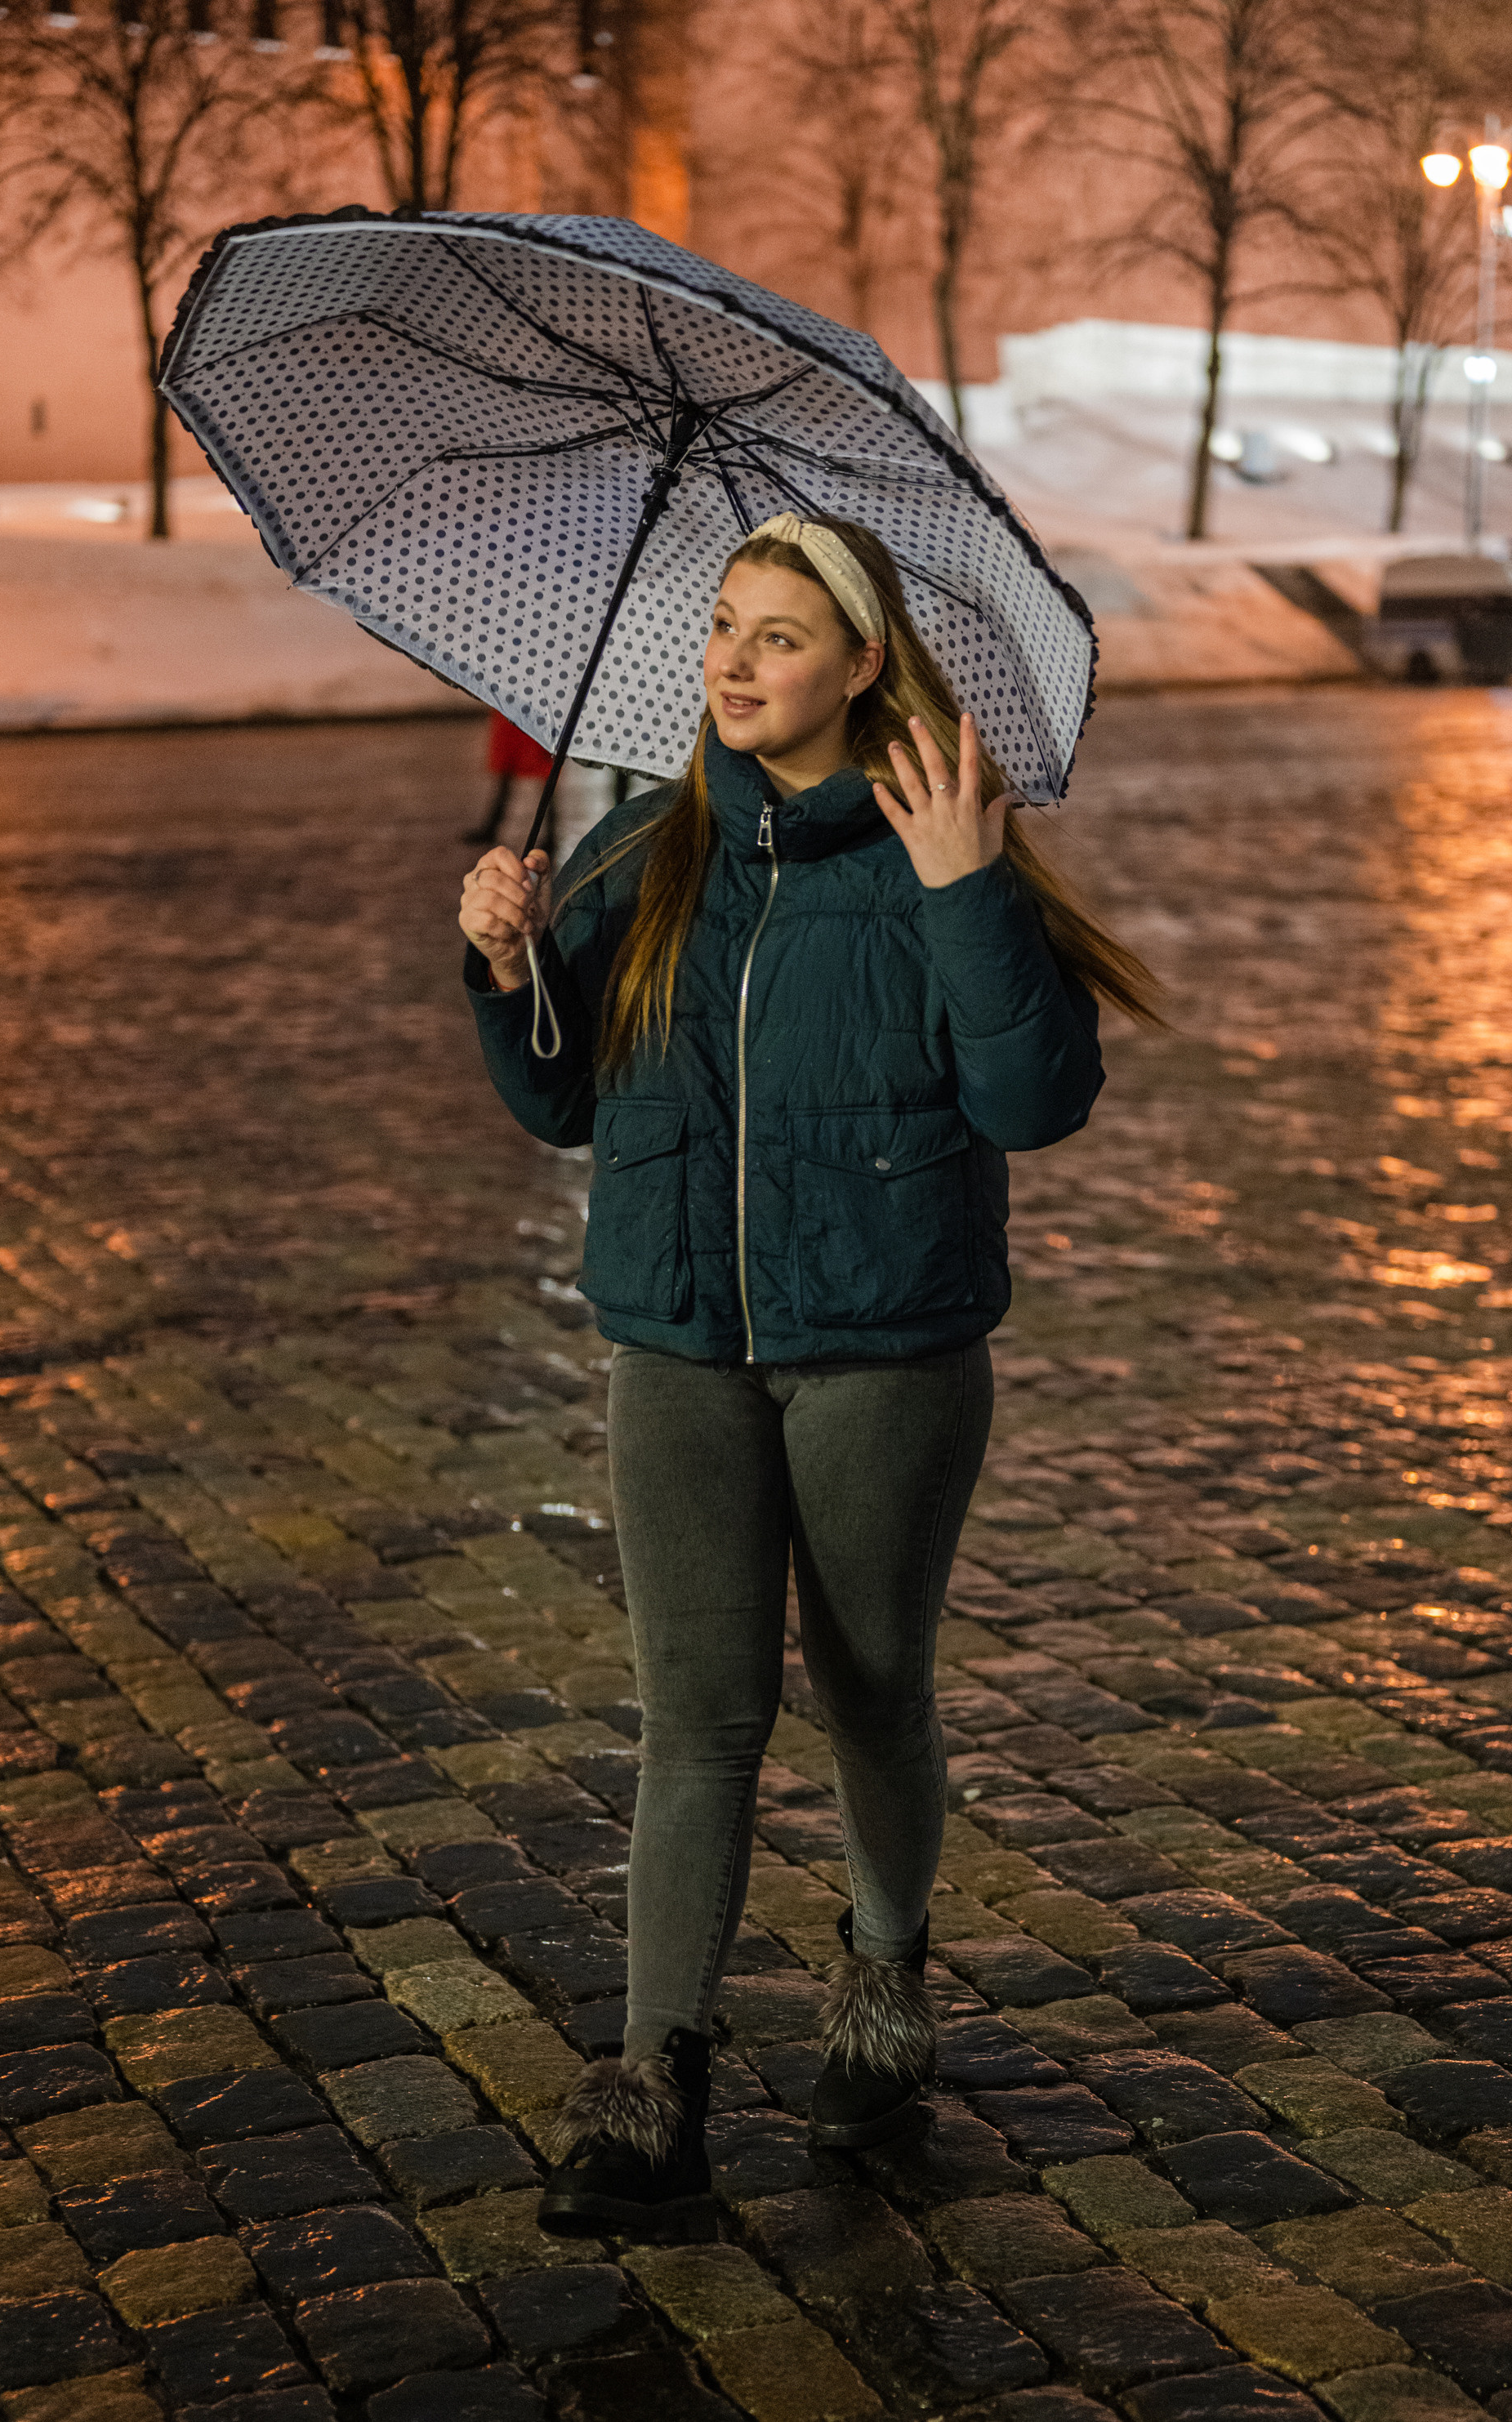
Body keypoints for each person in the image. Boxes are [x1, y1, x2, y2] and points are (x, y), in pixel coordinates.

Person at [457, 512, 1159, 2243]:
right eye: (722, 626)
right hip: (677, 1343)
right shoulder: (639, 850)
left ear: (861, 663)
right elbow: (560, 1105)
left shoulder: (941, 847)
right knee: (696, 1719)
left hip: (887, 1350)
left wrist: (964, 892)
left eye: (780, 635)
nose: (736, 660)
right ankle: (653, 2088)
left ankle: (879, 1977)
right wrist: (504, 970)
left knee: (867, 1688)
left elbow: (1034, 1102)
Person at [461, 708, 554, 847]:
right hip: (516, 715)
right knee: (507, 771)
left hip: (531, 716)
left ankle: (551, 834)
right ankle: (550, 835)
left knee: (545, 776)